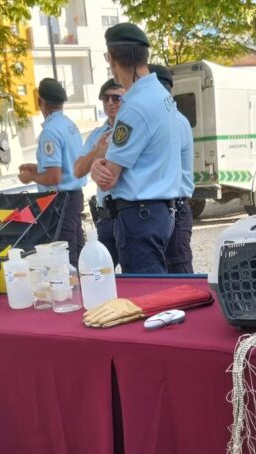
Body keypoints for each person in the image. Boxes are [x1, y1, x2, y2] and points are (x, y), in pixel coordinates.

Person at [90, 23, 181, 274]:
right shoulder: (159, 94)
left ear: (111, 59)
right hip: (157, 212)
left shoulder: (135, 106)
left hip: (139, 216)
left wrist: (97, 163)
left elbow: (108, 178)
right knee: (155, 286)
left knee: (146, 291)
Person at [19, 78, 85, 266]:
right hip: (74, 197)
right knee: (78, 253)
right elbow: (65, 165)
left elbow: (53, 177)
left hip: (59, 203)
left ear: (40, 101)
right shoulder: (69, 125)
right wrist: (37, 168)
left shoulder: (50, 131)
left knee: (65, 260)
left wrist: (30, 176)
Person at [149, 64, 195, 274]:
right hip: (170, 208)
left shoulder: (172, 122)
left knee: (179, 274)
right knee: (169, 272)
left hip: (174, 207)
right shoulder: (172, 119)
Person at [74, 79, 124, 268]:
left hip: (128, 212)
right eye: (105, 98)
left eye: (116, 98)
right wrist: (97, 151)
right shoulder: (97, 134)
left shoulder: (133, 130)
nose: (110, 103)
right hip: (105, 216)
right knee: (100, 272)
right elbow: (78, 171)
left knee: (134, 272)